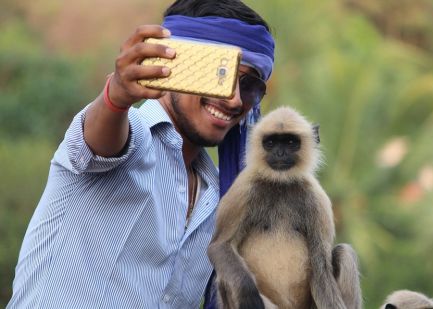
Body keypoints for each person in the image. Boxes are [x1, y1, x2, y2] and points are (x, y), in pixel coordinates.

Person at [7, 0, 275, 308]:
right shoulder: (127, 133)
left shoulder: (220, 197)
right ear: (173, 64)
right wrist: (116, 96)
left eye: (250, 85)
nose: (234, 100)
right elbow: (102, 141)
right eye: (221, 75)